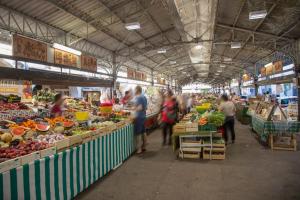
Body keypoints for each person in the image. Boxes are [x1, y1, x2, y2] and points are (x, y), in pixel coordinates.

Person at [133, 86, 148, 154]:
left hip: (138, 116)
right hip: (143, 116)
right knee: (143, 132)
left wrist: (134, 109)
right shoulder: (144, 97)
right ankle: (144, 146)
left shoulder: (138, 97)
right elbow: (146, 107)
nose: (134, 90)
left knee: (138, 133)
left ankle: (138, 149)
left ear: (137, 90)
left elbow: (140, 108)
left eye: (134, 89)